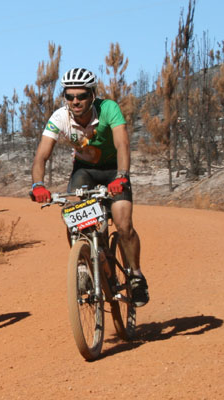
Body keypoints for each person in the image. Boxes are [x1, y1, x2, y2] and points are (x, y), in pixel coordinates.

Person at [30, 67, 149, 307]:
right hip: (85, 171)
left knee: (123, 224)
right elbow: (41, 156)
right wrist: (38, 185)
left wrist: (122, 176)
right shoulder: (59, 118)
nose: (75, 101)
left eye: (81, 96)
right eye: (70, 96)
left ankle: (135, 275)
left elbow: (122, 144)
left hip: (114, 171)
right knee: (74, 215)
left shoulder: (109, 109)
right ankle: (84, 264)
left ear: (92, 95)